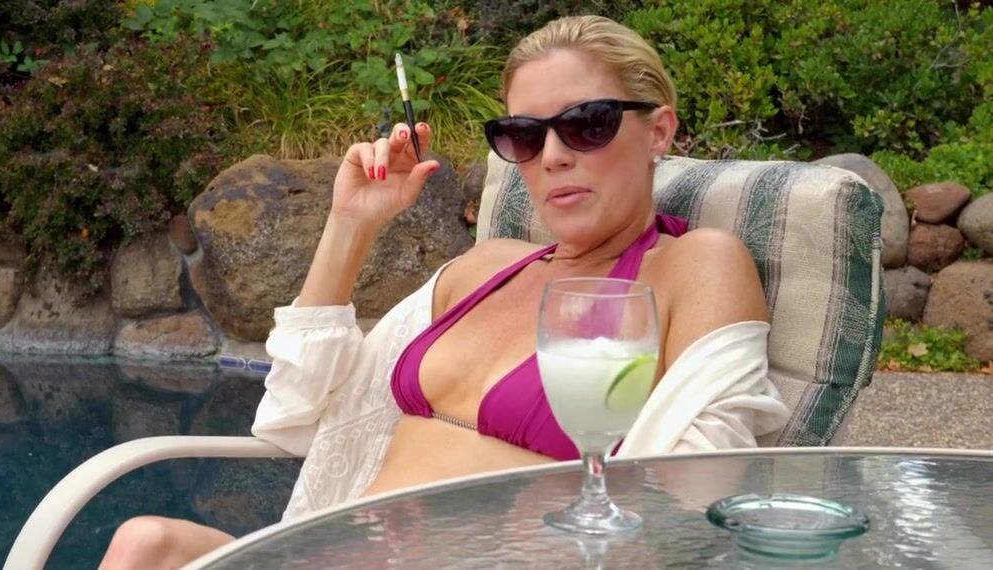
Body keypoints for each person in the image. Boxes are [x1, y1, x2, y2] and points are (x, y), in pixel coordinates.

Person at [99, 15, 789, 569]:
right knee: (144, 544)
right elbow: (295, 411)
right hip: (337, 550)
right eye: (523, 135)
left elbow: (693, 498)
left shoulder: (691, 267)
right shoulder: (485, 268)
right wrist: (351, 224)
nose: (553, 156)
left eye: (588, 124)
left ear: (659, 130)